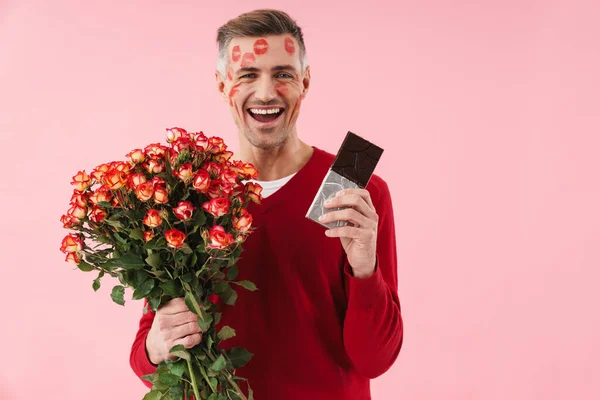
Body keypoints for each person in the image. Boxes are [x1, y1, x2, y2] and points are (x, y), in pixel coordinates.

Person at [130, 9, 403, 399]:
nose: (265, 93)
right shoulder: (184, 197)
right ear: (223, 85)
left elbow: (376, 360)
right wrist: (156, 348)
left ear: (305, 82)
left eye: (283, 74)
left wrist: (365, 269)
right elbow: (146, 363)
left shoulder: (357, 187)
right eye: (247, 74)